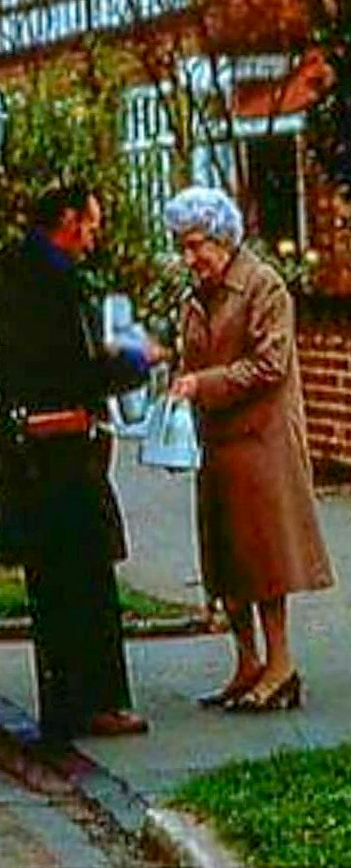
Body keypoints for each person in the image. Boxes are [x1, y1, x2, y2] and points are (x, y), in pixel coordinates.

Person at [0, 184, 160, 742]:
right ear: (66, 219)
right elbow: (70, 369)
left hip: (29, 453)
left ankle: (64, 704)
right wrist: (135, 363)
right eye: (90, 223)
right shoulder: (51, 281)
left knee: (54, 585)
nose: (94, 236)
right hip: (59, 453)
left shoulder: (16, 271)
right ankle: (96, 703)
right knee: (85, 580)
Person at [164, 186, 334, 712]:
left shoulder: (263, 287)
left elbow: (270, 364)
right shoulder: (198, 295)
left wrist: (201, 384)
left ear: (222, 238)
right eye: (183, 247)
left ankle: (281, 666)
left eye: (196, 246)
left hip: (261, 445)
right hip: (218, 443)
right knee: (225, 559)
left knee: (264, 561)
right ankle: (247, 662)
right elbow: (192, 357)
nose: (189, 258)